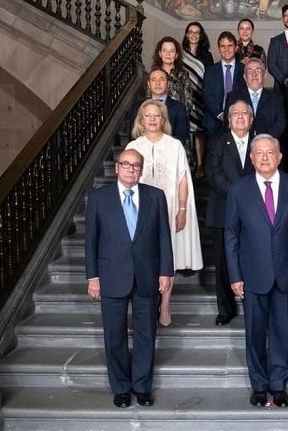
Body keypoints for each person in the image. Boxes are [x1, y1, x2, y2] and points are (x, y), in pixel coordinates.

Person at [224, 134, 288, 408]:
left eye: (269, 152)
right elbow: (231, 236)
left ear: (279, 156)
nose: (264, 157)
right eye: (259, 153)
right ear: (251, 158)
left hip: (287, 273)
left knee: (282, 330)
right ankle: (259, 386)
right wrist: (235, 275)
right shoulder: (239, 190)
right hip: (252, 275)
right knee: (255, 331)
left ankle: (279, 384)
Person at [85, 147, 173, 408]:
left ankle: (142, 387)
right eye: (126, 164)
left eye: (136, 166)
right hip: (112, 276)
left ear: (141, 170)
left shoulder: (155, 197)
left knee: (146, 334)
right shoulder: (99, 198)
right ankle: (121, 388)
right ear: (117, 168)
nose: (131, 169)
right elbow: (91, 241)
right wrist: (93, 277)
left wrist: (166, 271)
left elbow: (163, 238)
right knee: (115, 335)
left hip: (147, 276)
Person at [126, 100, 203, 326]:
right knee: (147, 257)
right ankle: (149, 302)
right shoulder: (134, 146)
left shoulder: (174, 145)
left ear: (163, 120)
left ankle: (166, 304)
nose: (152, 119)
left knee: (169, 257)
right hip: (141, 210)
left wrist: (181, 209)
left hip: (169, 207)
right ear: (141, 120)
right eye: (147, 115)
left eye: (156, 115)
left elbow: (182, 180)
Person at [205, 100, 255, 325]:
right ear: (228, 119)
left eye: (245, 113)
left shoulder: (260, 142)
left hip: (255, 212)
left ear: (252, 119)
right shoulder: (217, 142)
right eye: (236, 113)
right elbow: (212, 173)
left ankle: (252, 304)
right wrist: (238, 193)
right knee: (224, 263)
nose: (241, 117)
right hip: (223, 210)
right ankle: (226, 309)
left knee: (252, 259)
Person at [181, 22, 214, 179]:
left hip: (201, 97)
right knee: (186, 129)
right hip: (184, 96)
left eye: (197, 32)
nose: (194, 35)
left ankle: (200, 165)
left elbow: (210, 77)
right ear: (187, 34)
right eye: (191, 32)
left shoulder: (206, 55)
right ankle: (188, 162)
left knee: (199, 130)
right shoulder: (180, 54)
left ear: (201, 36)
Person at [227, 57, 286, 140]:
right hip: (242, 145)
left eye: (258, 71)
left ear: (264, 75)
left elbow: (280, 124)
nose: (254, 74)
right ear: (244, 76)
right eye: (250, 71)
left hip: (268, 145)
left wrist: (264, 141)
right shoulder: (233, 97)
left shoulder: (276, 98)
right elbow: (229, 124)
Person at [132, 68, 189, 147]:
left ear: (168, 84)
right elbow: (134, 135)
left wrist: (162, 148)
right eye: (153, 80)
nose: (157, 83)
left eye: (161, 80)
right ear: (148, 84)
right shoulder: (138, 106)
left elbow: (181, 136)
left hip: (169, 152)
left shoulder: (179, 107)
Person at [203, 31, 246, 137]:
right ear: (219, 48)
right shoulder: (210, 70)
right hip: (214, 122)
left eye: (230, 46)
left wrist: (234, 115)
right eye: (223, 46)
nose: (226, 49)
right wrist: (220, 114)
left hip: (239, 122)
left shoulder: (245, 70)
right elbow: (207, 94)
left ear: (236, 48)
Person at [151, 36, 193, 114]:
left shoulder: (183, 74)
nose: (168, 54)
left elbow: (189, 102)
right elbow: (148, 98)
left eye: (172, 51)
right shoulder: (154, 73)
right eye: (164, 50)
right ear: (160, 53)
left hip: (178, 117)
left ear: (176, 54)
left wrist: (179, 114)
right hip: (156, 117)